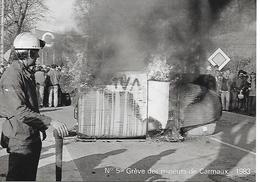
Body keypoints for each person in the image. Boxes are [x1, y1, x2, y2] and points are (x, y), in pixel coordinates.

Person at [0, 32, 69, 181]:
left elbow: (31, 105)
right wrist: (49, 122)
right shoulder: (13, 75)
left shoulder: (25, 73)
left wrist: (38, 127)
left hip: (30, 136)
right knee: (19, 178)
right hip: (20, 139)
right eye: (36, 53)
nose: (38, 56)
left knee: (29, 177)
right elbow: (20, 111)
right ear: (29, 52)